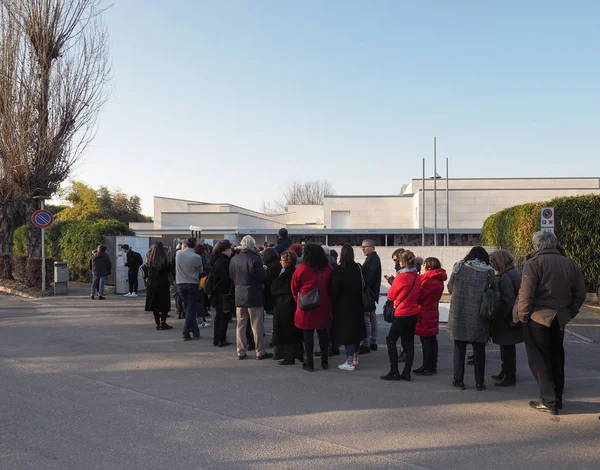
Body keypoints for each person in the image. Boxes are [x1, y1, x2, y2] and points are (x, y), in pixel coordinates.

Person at [517, 231, 586, 415]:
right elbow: (580, 292)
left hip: (537, 317)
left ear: (536, 245)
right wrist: (570, 312)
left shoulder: (533, 264)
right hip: (560, 317)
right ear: (554, 244)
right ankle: (558, 396)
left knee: (539, 359)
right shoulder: (570, 264)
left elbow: (526, 294)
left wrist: (523, 315)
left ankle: (549, 400)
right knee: (557, 356)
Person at [447, 246, 496, 391]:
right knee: (479, 350)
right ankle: (479, 382)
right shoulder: (489, 272)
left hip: (459, 313)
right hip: (479, 315)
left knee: (459, 349)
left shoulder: (459, 267)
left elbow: (450, 287)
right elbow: (494, 290)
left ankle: (458, 380)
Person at [291, 243, 334, 372]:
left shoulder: (302, 268)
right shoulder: (328, 268)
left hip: (306, 303)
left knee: (307, 335)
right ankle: (324, 361)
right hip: (323, 303)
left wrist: (298, 300)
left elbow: (294, 287)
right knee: (323, 334)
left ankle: (309, 363)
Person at [229, 235, 273, 360]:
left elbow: (231, 276)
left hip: (239, 295)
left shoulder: (234, 259)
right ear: (252, 245)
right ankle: (260, 351)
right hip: (254, 295)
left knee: (241, 325)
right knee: (256, 325)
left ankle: (240, 351)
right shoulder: (255, 259)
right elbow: (263, 278)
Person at [381, 250, 420, 381]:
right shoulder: (417, 276)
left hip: (401, 313)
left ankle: (394, 370)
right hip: (413, 313)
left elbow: (391, 295)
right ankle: (407, 371)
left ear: (401, 262)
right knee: (409, 343)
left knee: (391, 340)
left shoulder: (401, 277)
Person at [488, 249, 523, 387]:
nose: (491, 264)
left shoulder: (506, 276)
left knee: (507, 348)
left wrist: (499, 316)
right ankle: (506, 372)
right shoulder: (513, 272)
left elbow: (508, 300)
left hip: (507, 319)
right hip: (512, 318)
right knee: (507, 347)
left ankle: (509, 375)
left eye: (492, 262)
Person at [331, 244, 367, 371]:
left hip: (344, 305)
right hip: (358, 303)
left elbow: (334, 291)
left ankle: (349, 361)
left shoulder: (339, 270)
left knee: (348, 334)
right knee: (356, 331)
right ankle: (356, 358)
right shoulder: (358, 267)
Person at [413, 257, 447, 376]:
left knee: (425, 340)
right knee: (432, 340)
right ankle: (433, 365)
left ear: (428, 267)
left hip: (424, 312)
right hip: (433, 311)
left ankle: (426, 366)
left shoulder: (427, 281)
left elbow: (420, 297)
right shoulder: (439, 280)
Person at [271, 250, 303, 365]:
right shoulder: (296, 272)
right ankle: (298, 353)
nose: (280, 262)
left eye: (282, 260)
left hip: (284, 304)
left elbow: (273, 288)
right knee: (294, 330)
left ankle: (288, 356)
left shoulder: (285, 274)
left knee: (284, 330)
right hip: (294, 303)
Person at [176, 237, 204, 341]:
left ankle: (195, 332)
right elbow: (201, 271)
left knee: (188, 308)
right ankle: (186, 331)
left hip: (180, 283)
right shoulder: (197, 257)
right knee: (190, 309)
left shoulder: (178, 254)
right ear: (195, 245)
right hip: (192, 284)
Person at [207, 240, 234, 347]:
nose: (232, 251)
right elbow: (225, 281)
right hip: (222, 295)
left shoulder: (216, 259)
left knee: (218, 317)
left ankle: (216, 339)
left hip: (215, 294)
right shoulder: (224, 262)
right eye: (230, 249)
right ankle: (221, 340)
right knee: (223, 317)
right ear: (225, 250)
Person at [359, 239, 382, 354]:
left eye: (365, 247)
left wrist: (363, 286)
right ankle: (372, 341)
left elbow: (369, 278)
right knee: (372, 317)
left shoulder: (372, 259)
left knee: (367, 318)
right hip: (372, 293)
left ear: (372, 247)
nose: (363, 249)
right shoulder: (372, 258)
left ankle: (367, 343)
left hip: (368, 293)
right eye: (362, 247)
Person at [144, 242, 173, 330]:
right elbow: (170, 271)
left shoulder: (149, 259)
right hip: (163, 284)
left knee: (155, 304)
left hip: (152, 284)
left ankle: (157, 323)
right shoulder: (165, 259)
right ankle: (163, 322)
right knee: (164, 304)